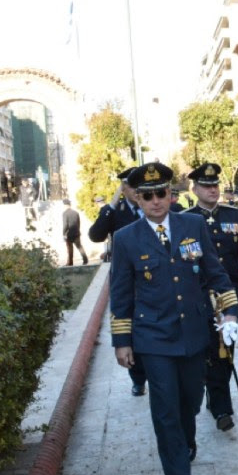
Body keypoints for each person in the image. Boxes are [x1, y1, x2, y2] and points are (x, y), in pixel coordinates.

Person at [110, 162, 238, 475]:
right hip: (153, 337)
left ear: (172, 194)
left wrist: (229, 312)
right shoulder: (125, 239)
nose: (156, 201)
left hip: (194, 332)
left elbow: (216, 273)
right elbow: (120, 294)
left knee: (190, 400)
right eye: (147, 195)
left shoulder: (193, 225)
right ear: (137, 198)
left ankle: (187, 437)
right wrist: (122, 341)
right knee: (165, 407)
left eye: (162, 193)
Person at [186, 162, 238, 432]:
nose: (212, 190)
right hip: (200, 298)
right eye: (206, 186)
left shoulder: (234, 215)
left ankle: (219, 403)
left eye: (215, 185)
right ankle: (218, 402)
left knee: (225, 350)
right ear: (195, 188)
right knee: (210, 351)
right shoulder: (185, 219)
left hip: (230, 295)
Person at [89, 167, 148, 395]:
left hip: (154, 277)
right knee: (130, 328)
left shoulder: (154, 206)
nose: (137, 191)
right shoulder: (116, 211)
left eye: (139, 186)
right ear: (123, 188)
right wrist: (111, 205)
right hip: (127, 281)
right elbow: (96, 236)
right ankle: (138, 377)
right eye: (131, 186)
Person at [61, 199, 89, 266]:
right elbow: (79, 223)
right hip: (76, 233)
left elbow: (65, 225)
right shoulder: (76, 212)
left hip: (69, 234)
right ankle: (85, 259)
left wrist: (63, 233)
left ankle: (70, 262)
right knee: (79, 247)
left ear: (65, 205)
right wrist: (78, 230)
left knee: (70, 249)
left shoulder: (64, 213)